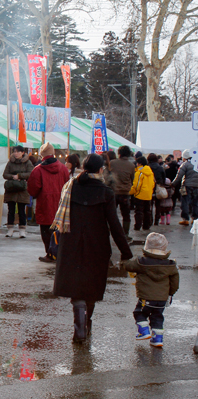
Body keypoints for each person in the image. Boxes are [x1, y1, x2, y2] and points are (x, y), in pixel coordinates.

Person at [52, 154, 133, 343]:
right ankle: (86, 323)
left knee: (75, 285)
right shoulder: (105, 192)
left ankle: (79, 329)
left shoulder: (70, 187)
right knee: (91, 286)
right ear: (100, 170)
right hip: (97, 245)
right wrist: (126, 253)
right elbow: (114, 225)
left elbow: (60, 216)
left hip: (70, 243)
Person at [121, 232, 178, 348]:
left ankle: (144, 331)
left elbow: (128, 266)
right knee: (157, 317)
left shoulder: (141, 262)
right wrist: (170, 293)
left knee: (139, 313)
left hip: (146, 298)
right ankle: (157, 339)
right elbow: (175, 282)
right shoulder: (170, 265)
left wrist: (124, 260)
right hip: (161, 299)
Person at [27, 142, 69, 262]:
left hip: (44, 204)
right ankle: (60, 253)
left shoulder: (38, 170)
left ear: (41, 155)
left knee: (46, 231)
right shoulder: (63, 168)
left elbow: (33, 189)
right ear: (53, 153)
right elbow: (68, 185)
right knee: (60, 230)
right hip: (61, 204)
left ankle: (50, 254)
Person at [3, 145, 34, 238]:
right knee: (11, 210)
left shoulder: (28, 162)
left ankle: (22, 230)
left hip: (22, 190)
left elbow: (31, 173)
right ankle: (10, 229)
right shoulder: (10, 162)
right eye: (14, 152)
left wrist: (20, 176)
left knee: (21, 210)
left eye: (18, 152)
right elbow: (5, 174)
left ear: (22, 152)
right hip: (11, 189)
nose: (16, 153)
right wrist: (13, 176)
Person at [110, 145, 136, 237]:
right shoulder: (132, 165)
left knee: (112, 214)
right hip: (125, 193)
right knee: (126, 214)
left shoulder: (112, 163)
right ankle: (125, 233)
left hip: (113, 192)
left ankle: (111, 232)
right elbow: (133, 179)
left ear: (119, 153)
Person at [172, 148, 198, 225]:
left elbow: (179, 176)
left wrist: (173, 184)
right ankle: (195, 218)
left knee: (185, 202)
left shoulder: (185, 164)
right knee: (195, 203)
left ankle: (185, 219)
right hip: (197, 186)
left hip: (187, 186)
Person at [130, 156, 155, 233]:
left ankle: (138, 226)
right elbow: (153, 183)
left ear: (139, 163)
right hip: (148, 194)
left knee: (139, 211)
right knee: (147, 211)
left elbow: (136, 185)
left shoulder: (139, 173)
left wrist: (132, 192)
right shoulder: (150, 172)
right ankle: (146, 225)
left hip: (140, 194)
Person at [147, 153, 166, 227]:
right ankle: (156, 220)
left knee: (149, 205)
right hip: (158, 188)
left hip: (149, 188)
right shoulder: (160, 168)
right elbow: (163, 178)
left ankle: (150, 219)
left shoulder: (147, 167)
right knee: (158, 205)